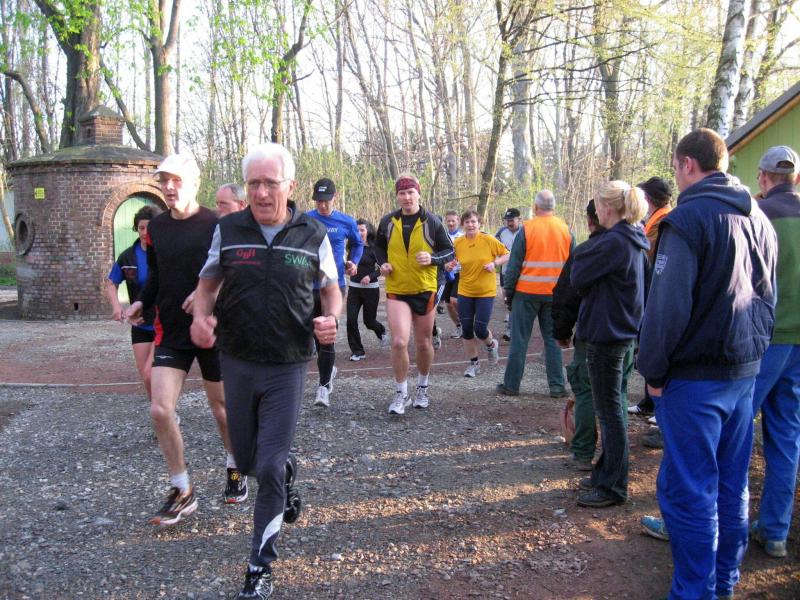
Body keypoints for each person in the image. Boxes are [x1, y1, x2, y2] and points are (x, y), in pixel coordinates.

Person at [191, 142, 341, 600]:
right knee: (249, 462)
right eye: (253, 183)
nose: (260, 192)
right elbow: (207, 284)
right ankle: (285, 471)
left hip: (287, 364)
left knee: (269, 466)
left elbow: (331, 288)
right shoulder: (229, 229)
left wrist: (331, 318)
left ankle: (260, 566)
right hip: (236, 360)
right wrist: (202, 317)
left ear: (289, 186)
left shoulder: (312, 233)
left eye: (269, 183)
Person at [638, 128, 777, 600]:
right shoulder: (758, 216)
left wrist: (653, 372)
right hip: (744, 369)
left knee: (691, 490)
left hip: (697, 377)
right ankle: (723, 582)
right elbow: (769, 296)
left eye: (677, 167)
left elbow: (666, 308)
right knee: (731, 484)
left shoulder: (687, 220)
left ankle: (695, 591)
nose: (677, 175)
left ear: (687, 165)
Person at [125, 153, 243, 527]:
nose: (169, 187)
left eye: (176, 180)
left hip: (211, 328)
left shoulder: (215, 224)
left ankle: (235, 465)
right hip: (172, 330)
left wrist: (206, 294)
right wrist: (142, 301)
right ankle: (182, 489)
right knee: (160, 409)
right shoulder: (157, 227)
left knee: (221, 408)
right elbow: (158, 274)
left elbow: (231, 273)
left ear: (194, 182)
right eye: (164, 181)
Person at [569, 182, 649, 508]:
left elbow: (576, 274)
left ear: (609, 208)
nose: (596, 211)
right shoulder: (631, 237)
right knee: (610, 409)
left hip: (609, 335)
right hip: (617, 332)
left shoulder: (616, 242)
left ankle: (613, 485)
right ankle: (606, 473)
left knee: (611, 412)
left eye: (599, 205)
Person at [749, 145, 800, 559]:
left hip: (766, 339)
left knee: (731, 430)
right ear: (795, 178)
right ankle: (775, 531)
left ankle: (707, 523)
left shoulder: (759, 215)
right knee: (786, 436)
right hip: (798, 342)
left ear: (764, 178)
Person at [374, 173, 454, 415]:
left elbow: (449, 252)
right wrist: (383, 263)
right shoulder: (388, 221)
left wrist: (432, 258)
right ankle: (401, 392)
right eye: (402, 193)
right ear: (397, 196)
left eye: (410, 192)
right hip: (397, 288)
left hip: (424, 288)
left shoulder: (432, 222)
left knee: (423, 343)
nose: (406, 197)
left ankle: (422, 387)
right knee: (399, 342)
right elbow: (378, 247)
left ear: (418, 193)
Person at [497, 190, 572, 397]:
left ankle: (511, 385)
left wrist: (508, 292)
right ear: (553, 207)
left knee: (519, 340)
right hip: (555, 294)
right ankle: (557, 386)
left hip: (526, 293)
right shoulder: (565, 229)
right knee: (553, 340)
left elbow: (514, 265)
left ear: (535, 207)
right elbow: (572, 264)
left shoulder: (527, 229)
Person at [306, 178, 363, 408]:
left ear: (334, 197)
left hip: (334, 285)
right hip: (309, 285)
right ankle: (328, 369)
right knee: (315, 335)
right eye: (318, 201)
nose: (322, 205)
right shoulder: (306, 220)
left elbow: (358, 244)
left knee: (327, 334)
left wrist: (354, 262)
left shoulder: (346, 221)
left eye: (326, 201)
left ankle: (323, 387)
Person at [104, 204, 162, 400]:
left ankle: (164, 409)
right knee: (145, 377)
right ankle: (159, 409)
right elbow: (111, 282)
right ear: (136, 229)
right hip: (140, 324)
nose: (145, 233)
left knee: (150, 373)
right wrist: (117, 308)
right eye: (141, 228)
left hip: (163, 323)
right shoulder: (128, 256)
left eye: (149, 228)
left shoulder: (165, 254)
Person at [628, 176, 672, 419]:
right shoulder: (652, 220)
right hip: (649, 288)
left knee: (657, 349)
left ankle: (659, 405)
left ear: (650, 199)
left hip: (658, 290)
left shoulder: (664, 220)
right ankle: (648, 402)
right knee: (647, 346)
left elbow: (649, 250)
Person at [446, 210, 509, 377]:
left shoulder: (488, 240)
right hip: (465, 290)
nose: (470, 225)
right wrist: (450, 265)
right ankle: (474, 364)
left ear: (479, 223)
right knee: (466, 329)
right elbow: (453, 261)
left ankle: (491, 345)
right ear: (463, 225)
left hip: (485, 291)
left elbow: (507, 254)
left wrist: (495, 263)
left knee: (480, 329)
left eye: (473, 221)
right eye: (467, 222)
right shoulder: (458, 242)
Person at [346, 218, 388, 361]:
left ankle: (381, 331)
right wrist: (348, 269)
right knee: (351, 320)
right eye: (357, 230)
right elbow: (350, 265)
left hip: (371, 289)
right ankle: (358, 351)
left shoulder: (375, 249)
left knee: (369, 321)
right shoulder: (352, 247)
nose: (359, 232)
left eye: (362, 230)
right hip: (354, 288)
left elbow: (382, 268)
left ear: (368, 231)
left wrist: (370, 276)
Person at [495, 207, 522, 341]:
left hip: (522, 272)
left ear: (519, 219)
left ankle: (511, 330)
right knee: (507, 298)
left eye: (512, 220)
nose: (509, 223)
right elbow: (493, 247)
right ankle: (512, 315)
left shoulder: (525, 232)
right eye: (507, 220)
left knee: (516, 301)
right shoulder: (501, 232)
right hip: (505, 271)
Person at [441, 210, 464, 338]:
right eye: (448, 221)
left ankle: (467, 322)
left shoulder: (463, 236)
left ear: (458, 221)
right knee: (448, 304)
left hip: (460, 272)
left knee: (455, 301)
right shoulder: (442, 236)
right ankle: (459, 326)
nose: (450, 223)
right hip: (446, 273)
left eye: (453, 221)